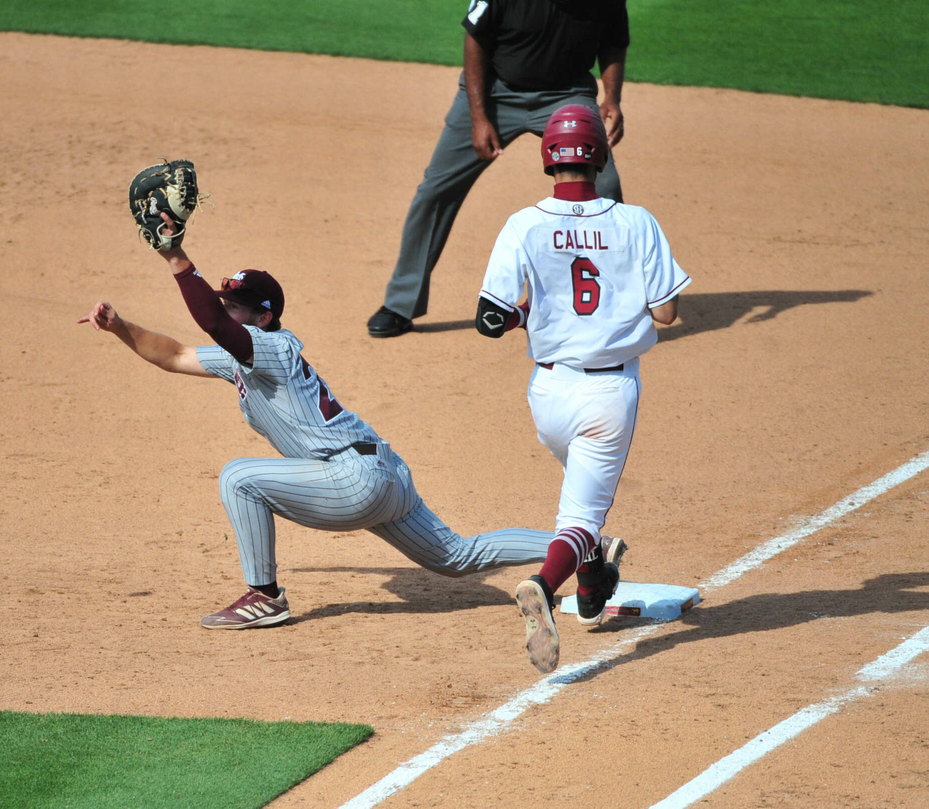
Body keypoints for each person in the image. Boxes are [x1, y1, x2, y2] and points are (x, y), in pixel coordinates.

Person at [80, 215, 556, 629]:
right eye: (225, 303)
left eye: (235, 306)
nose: (225, 311)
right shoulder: (244, 358)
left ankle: (265, 597)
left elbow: (214, 327)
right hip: (386, 475)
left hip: (355, 479)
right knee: (456, 556)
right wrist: (120, 327)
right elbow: (176, 354)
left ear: (263, 317)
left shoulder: (271, 347)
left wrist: (175, 256)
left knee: (238, 478)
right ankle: (579, 545)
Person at [475, 104, 690, 673]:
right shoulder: (635, 222)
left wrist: (533, 314)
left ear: (549, 156)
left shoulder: (523, 224)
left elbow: (490, 319)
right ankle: (545, 585)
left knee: (579, 492)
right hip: (608, 395)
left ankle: (592, 581)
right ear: (600, 156)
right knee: (580, 517)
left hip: (547, 395)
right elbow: (666, 313)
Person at [369, 0, 629, 338]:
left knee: (605, 187)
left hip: (567, 95)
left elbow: (613, 42)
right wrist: (479, 117)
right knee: (436, 189)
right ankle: (400, 305)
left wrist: (612, 98)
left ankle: (618, 301)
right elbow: (475, 39)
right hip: (494, 92)